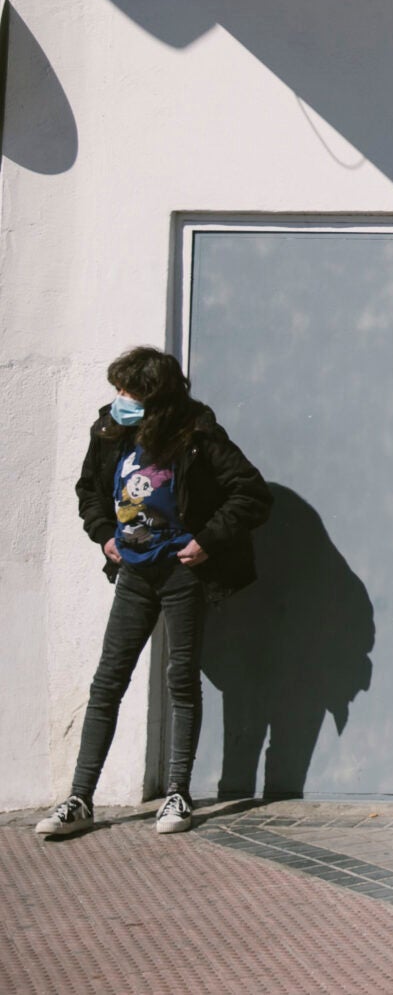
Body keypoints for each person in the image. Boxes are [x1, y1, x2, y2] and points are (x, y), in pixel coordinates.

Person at [36, 348, 272, 839]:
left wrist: (205, 541)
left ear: (156, 396)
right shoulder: (110, 430)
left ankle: (177, 793)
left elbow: (250, 492)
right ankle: (80, 799)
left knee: (180, 678)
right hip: (134, 574)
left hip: (180, 574)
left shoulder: (197, 432)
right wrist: (104, 533)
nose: (119, 400)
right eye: (118, 391)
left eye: (129, 393)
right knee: (108, 682)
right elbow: (89, 491)